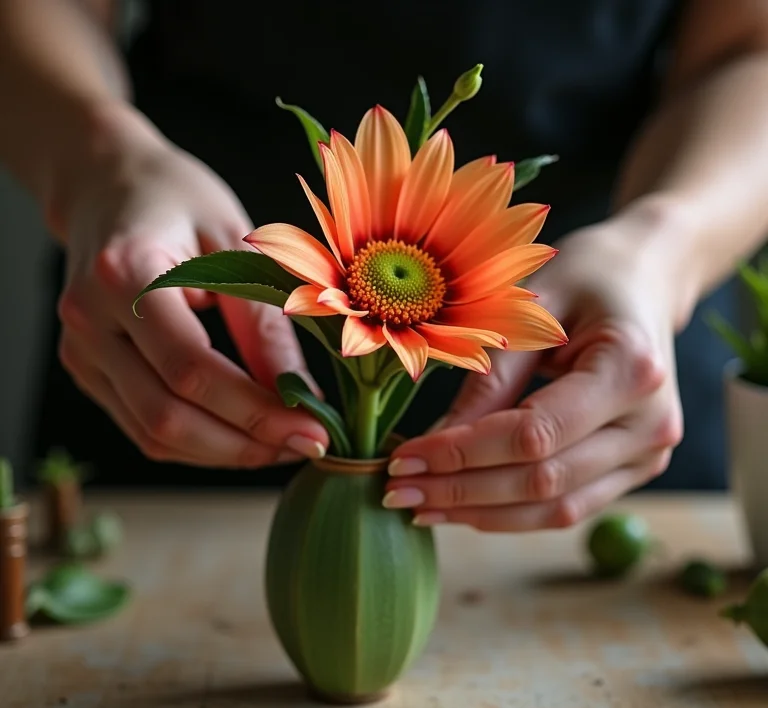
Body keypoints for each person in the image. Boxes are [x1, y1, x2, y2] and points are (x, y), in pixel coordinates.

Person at [1, 0, 767, 532]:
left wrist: (661, 245)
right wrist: (103, 161)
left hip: (595, 364)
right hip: (175, 342)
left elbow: (751, 45)